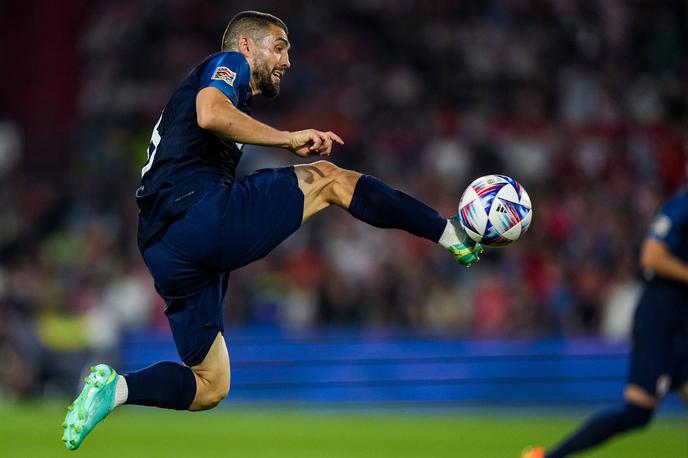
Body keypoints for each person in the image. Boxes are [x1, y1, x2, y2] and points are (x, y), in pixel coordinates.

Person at [61, 10, 483, 450]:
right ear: (246, 45)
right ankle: (448, 232)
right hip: (199, 215)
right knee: (330, 179)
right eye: (279, 47)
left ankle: (116, 389)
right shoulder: (229, 64)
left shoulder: (224, 101)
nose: (287, 61)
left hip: (162, 248)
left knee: (210, 385)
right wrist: (286, 137)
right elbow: (210, 112)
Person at [522, 177, 688, 458]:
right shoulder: (682, 206)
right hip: (663, 320)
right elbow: (652, 257)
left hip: (680, 321)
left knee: (638, 414)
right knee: (637, 412)